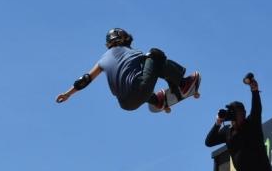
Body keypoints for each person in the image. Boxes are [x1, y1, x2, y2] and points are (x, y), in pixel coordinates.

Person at [56, 28, 200, 111]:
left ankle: (156, 100)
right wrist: (172, 83)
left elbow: (85, 79)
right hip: (140, 89)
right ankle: (182, 84)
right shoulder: (129, 51)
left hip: (126, 104)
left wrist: (68, 94)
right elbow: (156, 64)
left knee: (132, 78)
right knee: (155, 55)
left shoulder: (102, 60)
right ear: (125, 39)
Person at [204, 74, 272, 171]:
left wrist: (254, 91)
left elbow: (257, 109)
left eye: (234, 112)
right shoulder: (227, 132)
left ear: (242, 113)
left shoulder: (251, 123)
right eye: (230, 112)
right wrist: (218, 122)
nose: (231, 115)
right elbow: (209, 141)